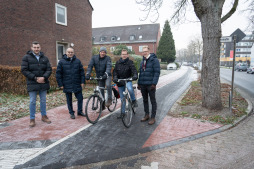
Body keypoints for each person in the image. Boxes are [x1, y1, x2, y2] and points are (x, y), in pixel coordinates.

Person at [21, 41, 52, 127]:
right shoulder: (26, 57)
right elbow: (24, 70)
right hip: (32, 82)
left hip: (43, 82)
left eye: (38, 47)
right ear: (31, 48)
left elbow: (49, 69)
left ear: (40, 48)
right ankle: (32, 119)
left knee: (43, 100)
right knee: (32, 101)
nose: (36, 49)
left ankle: (44, 116)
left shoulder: (45, 58)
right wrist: (35, 78)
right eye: (34, 47)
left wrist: (44, 77)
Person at [56, 47, 86, 119]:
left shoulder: (78, 61)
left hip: (77, 83)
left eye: (71, 52)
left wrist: (82, 82)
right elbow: (58, 74)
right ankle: (71, 113)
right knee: (69, 100)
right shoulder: (61, 62)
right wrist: (60, 84)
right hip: (67, 84)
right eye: (69, 52)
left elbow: (82, 73)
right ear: (66, 53)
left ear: (73, 53)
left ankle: (80, 111)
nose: (70, 53)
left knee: (80, 98)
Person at [138, 46, 160, 125]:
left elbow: (157, 72)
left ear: (149, 51)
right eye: (143, 51)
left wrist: (154, 83)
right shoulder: (142, 61)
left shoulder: (154, 60)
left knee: (153, 101)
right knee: (145, 100)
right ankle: (146, 115)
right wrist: (139, 83)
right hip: (143, 84)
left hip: (150, 85)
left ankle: (153, 117)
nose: (144, 53)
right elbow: (141, 73)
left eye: (145, 51)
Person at [113, 49, 138, 119]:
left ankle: (133, 100)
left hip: (128, 80)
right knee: (122, 98)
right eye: (123, 54)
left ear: (127, 55)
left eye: (125, 54)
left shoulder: (130, 62)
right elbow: (115, 72)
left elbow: (134, 70)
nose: (124, 55)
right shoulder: (118, 63)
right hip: (120, 81)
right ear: (121, 55)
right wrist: (115, 77)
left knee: (130, 88)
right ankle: (122, 113)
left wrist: (135, 76)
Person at [86, 46, 112, 111]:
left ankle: (109, 99)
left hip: (107, 75)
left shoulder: (108, 58)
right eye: (101, 52)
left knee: (108, 85)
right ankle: (102, 106)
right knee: (101, 91)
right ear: (99, 52)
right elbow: (90, 66)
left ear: (105, 53)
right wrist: (88, 74)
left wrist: (106, 74)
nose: (102, 53)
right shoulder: (94, 58)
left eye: (104, 52)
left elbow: (109, 67)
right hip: (99, 76)